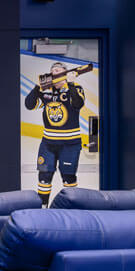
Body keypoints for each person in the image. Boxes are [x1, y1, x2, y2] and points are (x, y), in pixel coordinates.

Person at [24, 62, 85, 207]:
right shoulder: (46, 92)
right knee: (44, 177)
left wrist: (70, 83)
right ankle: (42, 208)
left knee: (68, 178)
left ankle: (71, 209)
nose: (54, 72)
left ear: (65, 73)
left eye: (57, 70)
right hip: (48, 144)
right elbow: (29, 104)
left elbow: (78, 104)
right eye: (52, 71)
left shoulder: (75, 88)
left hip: (70, 144)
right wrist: (37, 87)